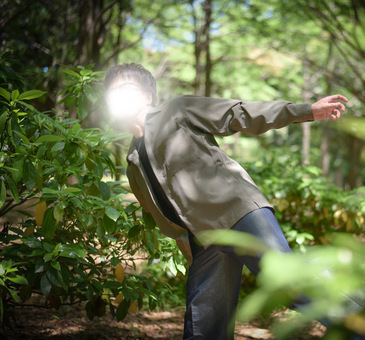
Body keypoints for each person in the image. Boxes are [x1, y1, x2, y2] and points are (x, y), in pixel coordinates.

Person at [104, 63, 351, 340]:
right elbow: (165, 215)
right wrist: (189, 249)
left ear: (147, 96)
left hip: (238, 212)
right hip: (207, 241)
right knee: (204, 326)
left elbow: (239, 113)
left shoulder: (177, 110)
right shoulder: (132, 163)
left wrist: (306, 111)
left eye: (126, 89)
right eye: (113, 93)